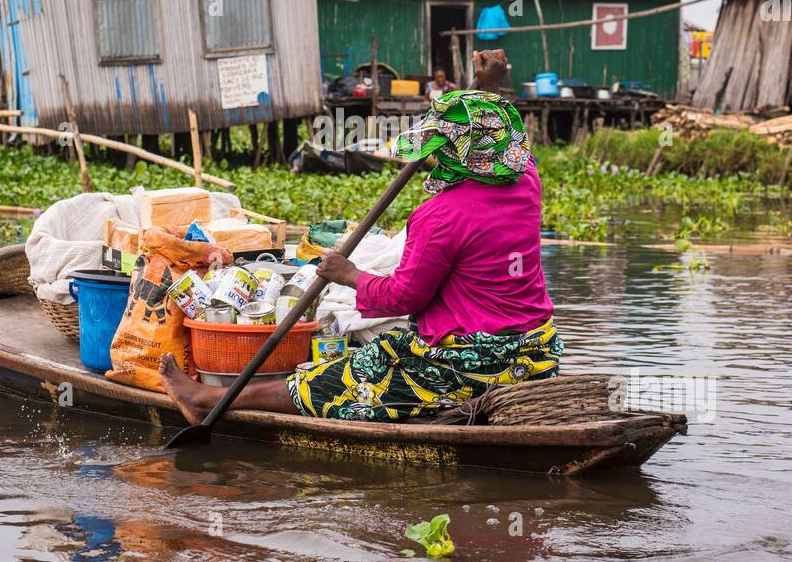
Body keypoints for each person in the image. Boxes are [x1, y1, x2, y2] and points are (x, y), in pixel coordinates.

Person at [158, 49, 559, 424]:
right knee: (380, 352)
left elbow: (404, 298)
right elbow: (487, 135)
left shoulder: (439, 216)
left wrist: (346, 273)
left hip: (466, 366)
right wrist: (488, 87)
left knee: (335, 377)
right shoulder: (526, 181)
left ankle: (204, 400)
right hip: (534, 354)